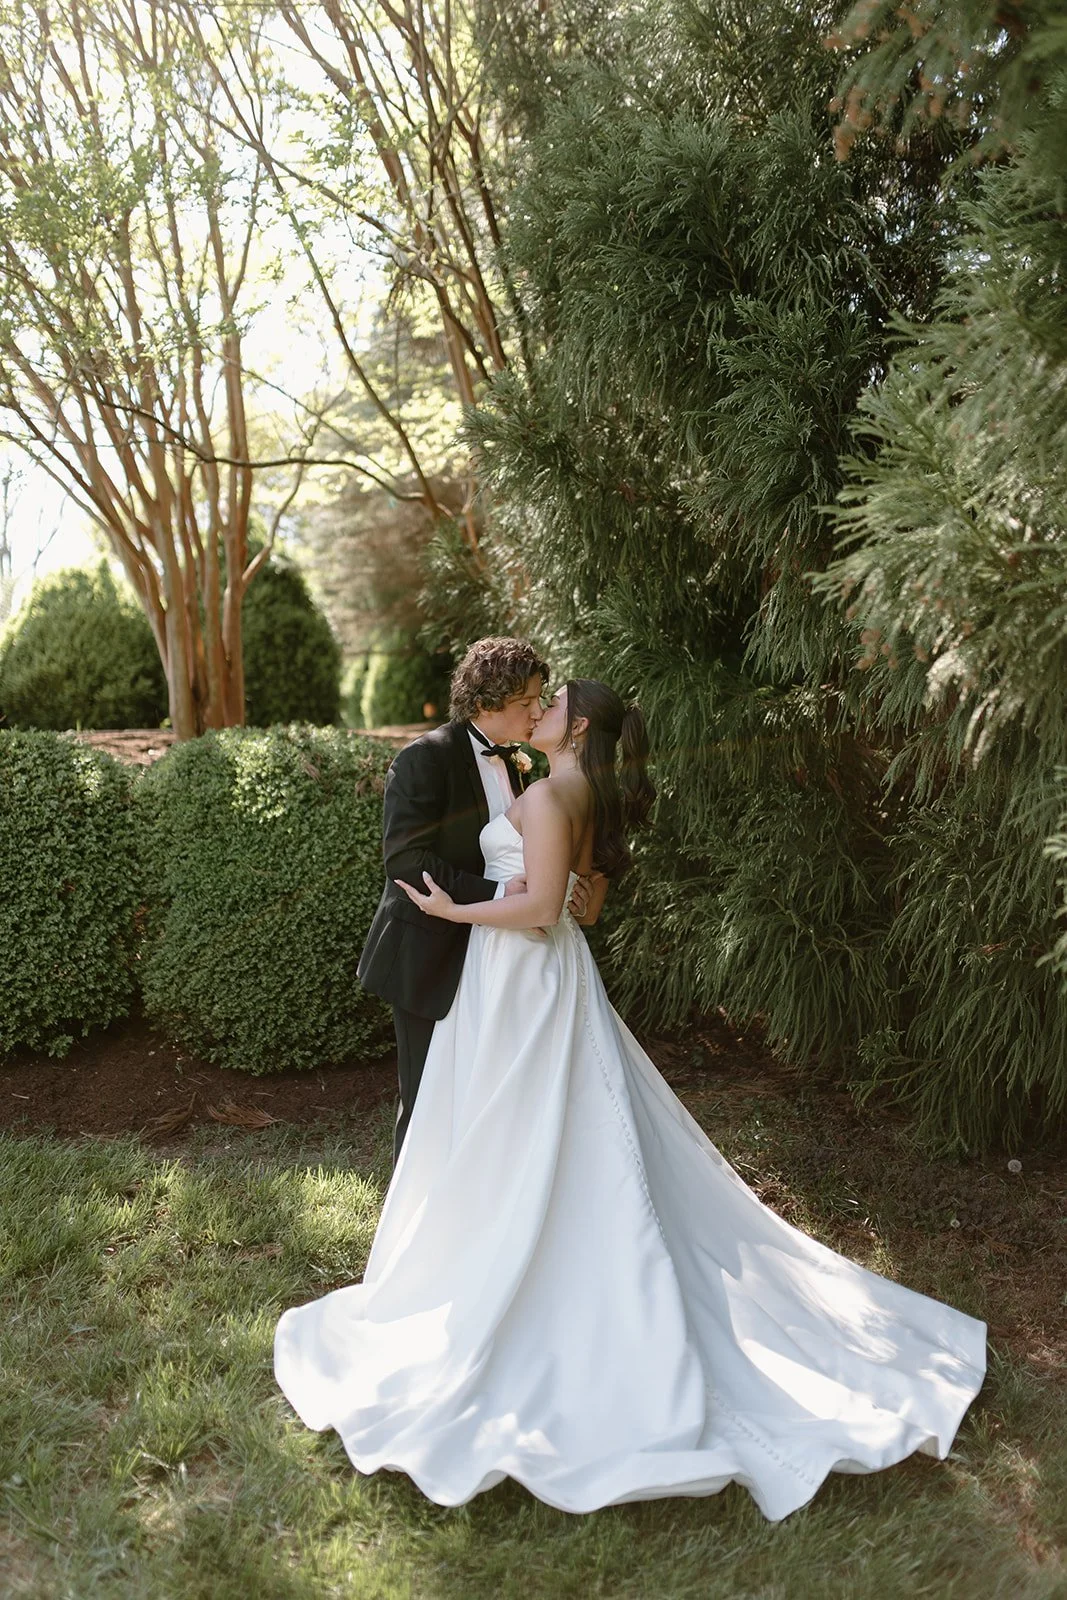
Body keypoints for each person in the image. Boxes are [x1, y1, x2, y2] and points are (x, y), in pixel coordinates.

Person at [275, 679, 986, 1522]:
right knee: (557, 1124)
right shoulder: (587, 796)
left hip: (520, 976)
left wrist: (452, 905)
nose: (536, 706)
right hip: (554, 978)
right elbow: (587, 905)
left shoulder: (543, 794)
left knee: (519, 1124)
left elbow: (540, 911)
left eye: (551, 701)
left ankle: (519, 1267)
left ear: (574, 726)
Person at [356, 636, 590, 1162]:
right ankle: (414, 1220)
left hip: (500, 955)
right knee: (426, 1097)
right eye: (525, 703)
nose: (536, 712)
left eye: (540, 699)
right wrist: (499, 892)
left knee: (483, 1093)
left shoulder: (515, 762)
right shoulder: (424, 760)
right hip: (431, 947)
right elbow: (405, 862)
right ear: (486, 704)